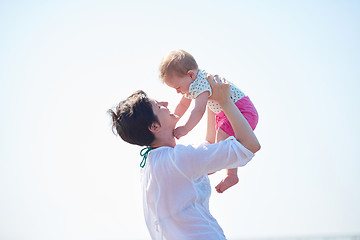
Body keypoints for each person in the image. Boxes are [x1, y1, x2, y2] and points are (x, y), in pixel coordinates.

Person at [108, 75, 260, 240]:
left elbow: (207, 146)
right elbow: (249, 145)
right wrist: (225, 102)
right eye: (159, 106)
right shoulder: (178, 160)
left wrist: (210, 99)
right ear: (154, 126)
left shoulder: (154, 164)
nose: (166, 104)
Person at [159, 49, 259, 193]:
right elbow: (183, 105)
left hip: (242, 110)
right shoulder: (192, 83)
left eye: (178, 87)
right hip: (226, 112)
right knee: (223, 138)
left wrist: (185, 129)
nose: (178, 92)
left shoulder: (200, 84)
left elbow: (198, 110)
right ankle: (229, 173)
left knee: (222, 140)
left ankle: (225, 171)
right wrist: (174, 120)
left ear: (191, 75)